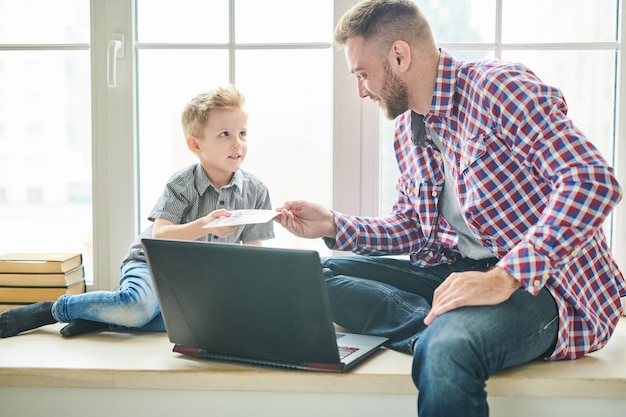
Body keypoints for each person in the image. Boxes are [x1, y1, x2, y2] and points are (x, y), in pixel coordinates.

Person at [276, 1, 625, 416]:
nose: (361, 90)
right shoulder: (409, 128)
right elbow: (412, 226)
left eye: (362, 74)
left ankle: (441, 331)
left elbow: (591, 180)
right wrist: (334, 223)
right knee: (309, 276)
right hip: (459, 272)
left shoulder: (500, 88)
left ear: (400, 56)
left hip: (544, 287)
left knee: (447, 349)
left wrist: (505, 276)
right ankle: (432, 322)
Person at [0, 84, 274, 338]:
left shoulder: (256, 191)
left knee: (217, 319)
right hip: (151, 263)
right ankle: (53, 310)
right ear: (195, 145)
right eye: (225, 134)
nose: (237, 143)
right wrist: (205, 225)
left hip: (196, 279)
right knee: (138, 306)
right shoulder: (183, 183)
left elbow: (254, 255)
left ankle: (104, 317)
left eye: (242, 133)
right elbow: (161, 234)